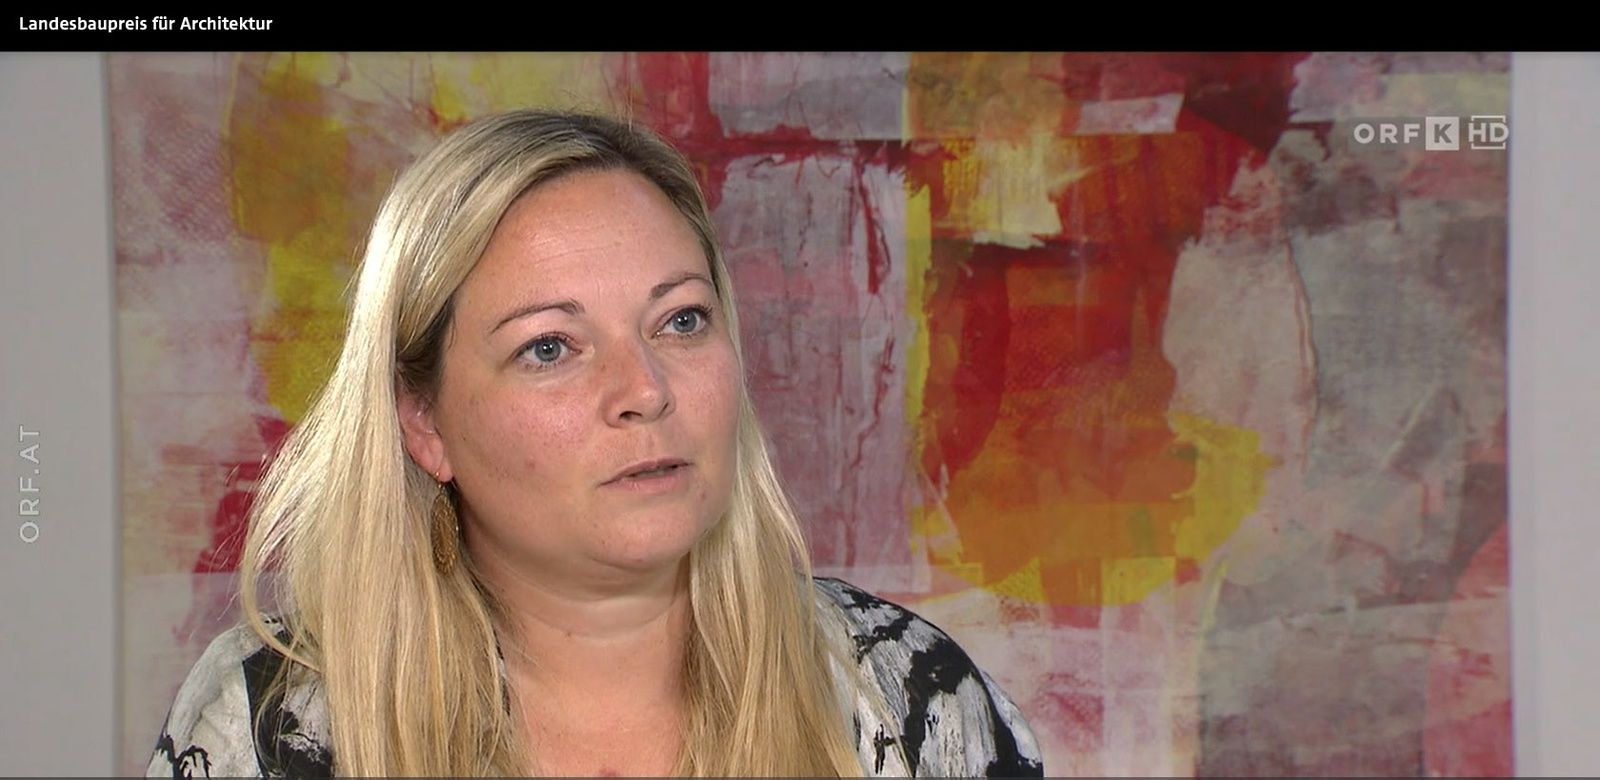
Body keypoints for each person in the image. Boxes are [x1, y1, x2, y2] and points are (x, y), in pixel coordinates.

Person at [145, 109, 1043, 778]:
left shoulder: (905, 696)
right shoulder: (269, 725)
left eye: (681, 320)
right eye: (549, 347)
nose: (646, 390)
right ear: (424, 423)